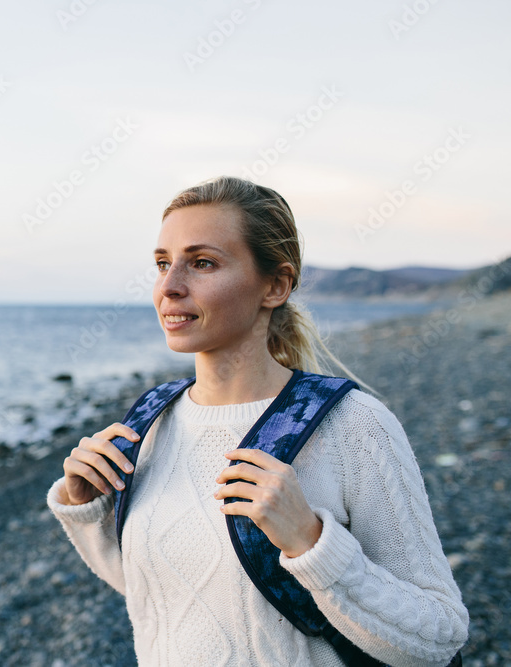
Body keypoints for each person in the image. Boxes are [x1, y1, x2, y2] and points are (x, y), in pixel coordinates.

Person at [46, 176, 469, 665]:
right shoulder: (150, 421)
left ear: (275, 285)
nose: (169, 287)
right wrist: (86, 509)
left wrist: (311, 541)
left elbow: (439, 636)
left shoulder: (355, 425)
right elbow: (162, 595)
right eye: (163, 264)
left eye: (202, 263)